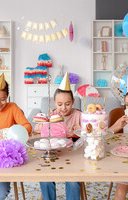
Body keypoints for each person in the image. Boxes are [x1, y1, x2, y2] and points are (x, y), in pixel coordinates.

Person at [33, 72, 81, 200]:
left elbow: (88, 133)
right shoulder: (51, 116)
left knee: (72, 182)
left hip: (72, 156)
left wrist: (79, 131)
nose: (63, 108)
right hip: (52, 154)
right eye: (59, 104)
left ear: (73, 102)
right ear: (54, 102)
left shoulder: (78, 115)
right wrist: (46, 122)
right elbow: (36, 129)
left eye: (67, 103)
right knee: (45, 179)